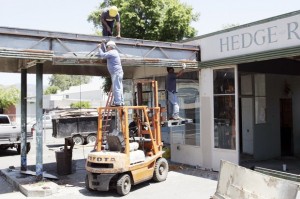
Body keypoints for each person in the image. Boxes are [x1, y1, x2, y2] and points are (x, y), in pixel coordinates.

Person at [97, 40, 124, 106]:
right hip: (118, 73)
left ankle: (117, 103)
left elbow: (103, 55)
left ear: (110, 47)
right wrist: (103, 44)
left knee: (116, 88)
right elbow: (106, 52)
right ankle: (121, 102)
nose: (107, 48)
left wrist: (99, 48)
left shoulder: (111, 53)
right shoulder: (114, 52)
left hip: (116, 73)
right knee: (119, 87)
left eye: (107, 47)